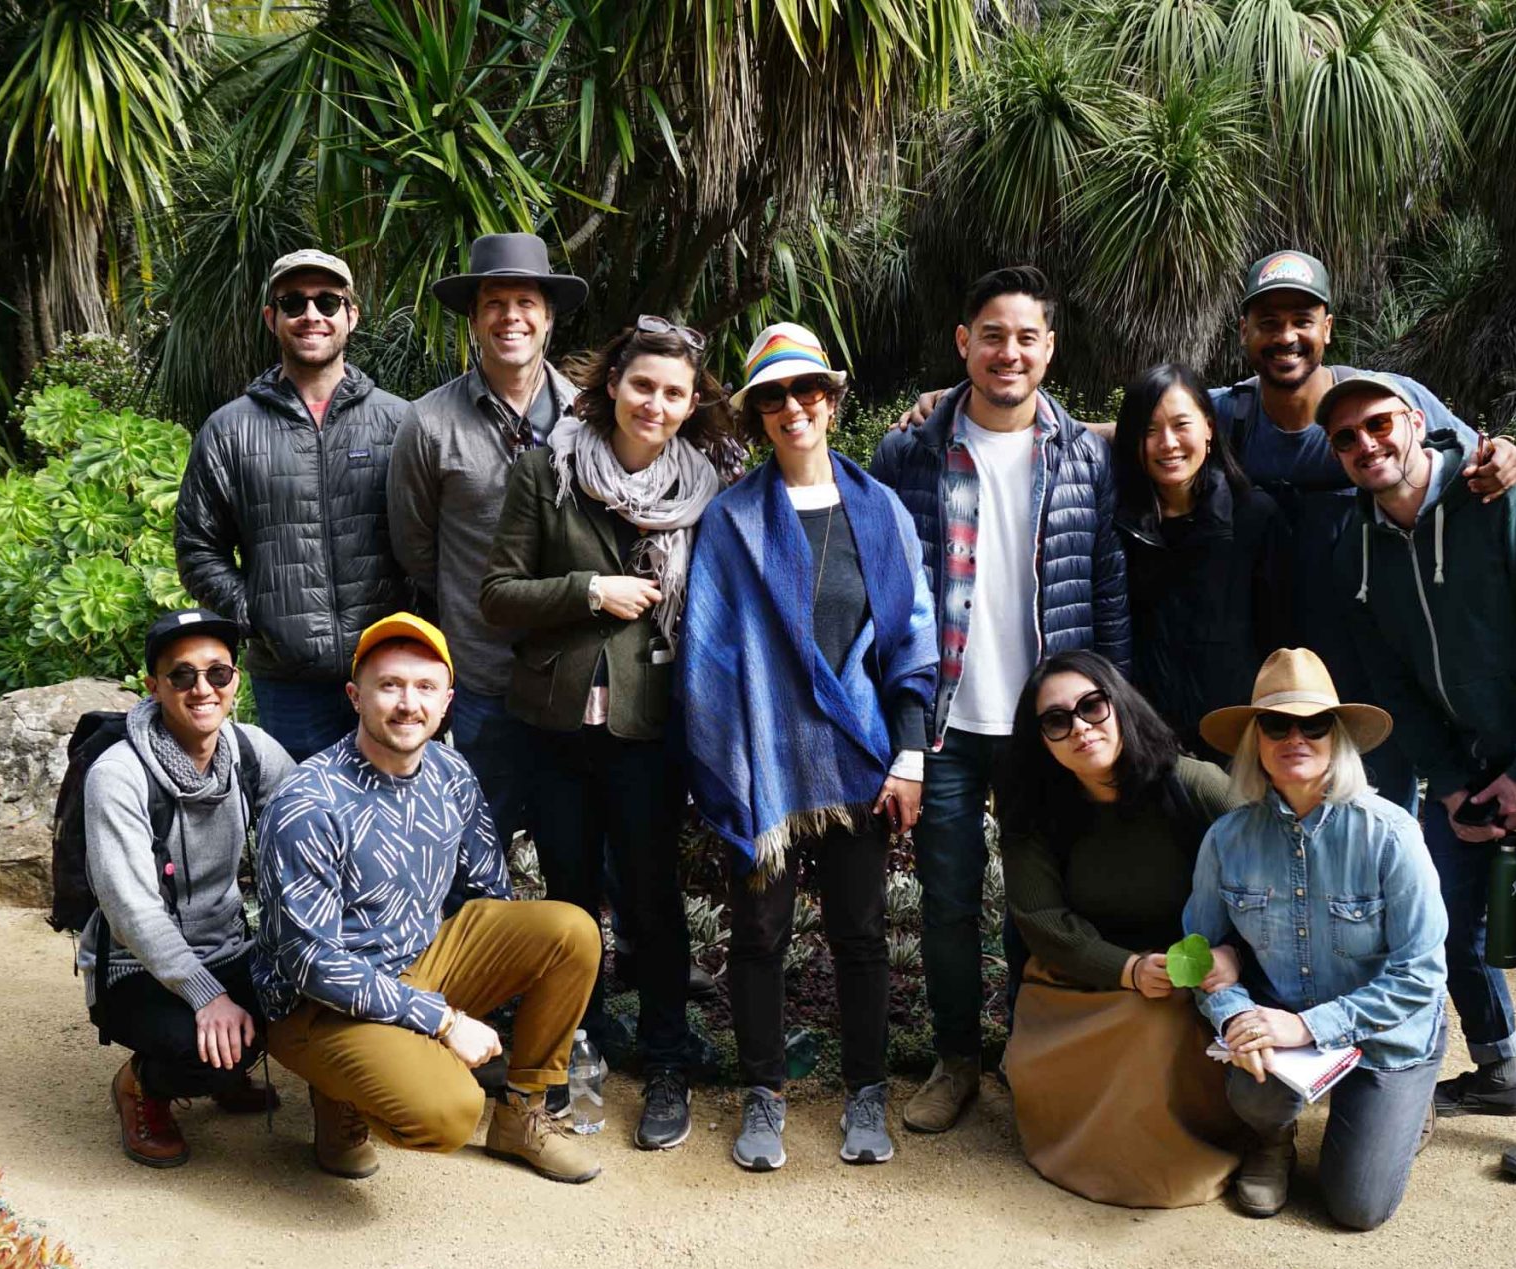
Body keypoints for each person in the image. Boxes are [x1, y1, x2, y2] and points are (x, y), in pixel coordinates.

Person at [893, 250, 1516, 806]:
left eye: (1301, 321)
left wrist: (1513, 455)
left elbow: (1473, 460)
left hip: (1375, 646)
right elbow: (1145, 428)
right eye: (1269, 322)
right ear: (1245, 331)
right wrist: (958, 407)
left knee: (1376, 816)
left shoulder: (1386, 400)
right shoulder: (1229, 411)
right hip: (1265, 686)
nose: (1286, 337)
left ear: (1327, 329)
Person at [1323, 372, 1516, 1185]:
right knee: (1441, 916)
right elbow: (1392, 682)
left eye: (1378, 424)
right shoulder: (1357, 544)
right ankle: (1497, 1070)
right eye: (1346, 438)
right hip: (1469, 753)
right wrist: (1453, 783)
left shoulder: (1514, 506)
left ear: (1418, 422)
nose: (1366, 445)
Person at [870, 265, 1130, 1135]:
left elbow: (1106, 588)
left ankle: (1028, 1058)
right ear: (963, 345)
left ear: (1050, 349)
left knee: (1037, 902)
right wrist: (897, 731)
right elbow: (884, 600)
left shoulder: (1085, 456)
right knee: (947, 904)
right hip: (947, 724)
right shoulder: (907, 453)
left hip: (1048, 729)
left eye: (1027, 337)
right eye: (992, 335)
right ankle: (956, 1063)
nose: (1008, 352)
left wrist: (1112, 716)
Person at [679, 323, 940, 1172]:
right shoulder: (732, 520)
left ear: (832, 399)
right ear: (757, 414)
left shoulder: (880, 510)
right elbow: (710, 662)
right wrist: (727, 771)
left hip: (861, 761)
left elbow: (912, 644)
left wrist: (908, 754)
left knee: (861, 937)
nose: (793, 408)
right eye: (773, 397)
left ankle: (867, 1090)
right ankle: (764, 1092)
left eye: (807, 392)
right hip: (766, 763)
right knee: (759, 938)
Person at [479, 317, 731, 1152]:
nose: (654, 404)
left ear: (693, 404)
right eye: (642, 385)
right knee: (568, 900)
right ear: (611, 385)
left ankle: (665, 1063)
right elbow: (498, 594)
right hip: (554, 728)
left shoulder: (709, 487)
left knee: (654, 904)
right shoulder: (546, 467)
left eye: (673, 392)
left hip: (652, 729)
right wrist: (590, 590)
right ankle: (563, 1056)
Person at [254, 613, 602, 1184]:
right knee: (448, 1113)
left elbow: (491, 893)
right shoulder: (309, 803)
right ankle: (339, 1097)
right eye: (389, 686)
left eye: (424, 688)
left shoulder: (450, 772)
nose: (406, 704)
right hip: (315, 1005)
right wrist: (441, 1022)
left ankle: (521, 1117)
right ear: (356, 697)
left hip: (420, 961)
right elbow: (309, 963)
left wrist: (495, 982)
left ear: (446, 702)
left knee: (570, 931)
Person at [1184, 647, 1449, 1229]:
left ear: (1338, 738)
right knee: (1252, 1092)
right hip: (1282, 1031)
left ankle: (1407, 1101)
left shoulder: (1392, 836)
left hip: (1386, 1033)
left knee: (1357, 1208)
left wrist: (1306, 1026)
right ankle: (1272, 1140)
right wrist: (1234, 1018)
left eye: (1315, 724)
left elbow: (1422, 975)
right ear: (1256, 740)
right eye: (1277, 724)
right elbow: (1197, 951)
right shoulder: (1226, 839)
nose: (1295, 738)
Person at [997, 651, 1243, 1209]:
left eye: (1092, 706)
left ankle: (1219, 1144)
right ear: (1040, 740)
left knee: (1156, 1029)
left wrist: (1232, 955)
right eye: (1057, 721)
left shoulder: (1194, 785)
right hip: (1082, 977)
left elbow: (1271, 876)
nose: (1080, 728)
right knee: (1129, 1025)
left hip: (1194, 980)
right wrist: (1126, 969)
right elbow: (1041, 922)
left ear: (1120, 703)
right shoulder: (1033, 813)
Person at [176, 247, 413, 760]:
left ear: (351, 315)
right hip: (289, 684)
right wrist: (257, 613)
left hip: (390, 673)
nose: (312, 315)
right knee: (299, 820)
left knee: (399, 825)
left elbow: (434, 538)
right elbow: (198, 549)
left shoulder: (401, 422)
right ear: (271, 317)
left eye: (328, 302)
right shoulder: (229, 430)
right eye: (294, 302)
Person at [388, 233, 587, 841]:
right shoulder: (429, 423)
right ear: (474, 319)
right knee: (479, 840)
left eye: (525, 302)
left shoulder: (588, 417)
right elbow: (416, 548)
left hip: (571, 675)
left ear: (548, 316)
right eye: (495, 303)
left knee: (575, 843)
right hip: (482, 675)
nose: (511, 318)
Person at [85, 609, 295, 1168]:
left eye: (217, 673)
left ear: (235, 682)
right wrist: (208, 996)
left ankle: (229, 1062)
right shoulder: (118, 776)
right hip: (140, 966)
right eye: (181, 676)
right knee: (203, 1050)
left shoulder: (253, 752)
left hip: (230, 944)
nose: (202, 689)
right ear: (153, 687)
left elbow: (306, 836)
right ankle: (142, 1085)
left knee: (308, 1000)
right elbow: (132, 912)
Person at [1110, 362, 1293, 754]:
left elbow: (1281, 636)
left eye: (1181, 425)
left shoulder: (1254, 516)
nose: (1168, 443)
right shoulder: (1118, 524)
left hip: (1238, 738)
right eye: (1149, 430)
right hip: (1146, 741)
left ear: (1209, 427)